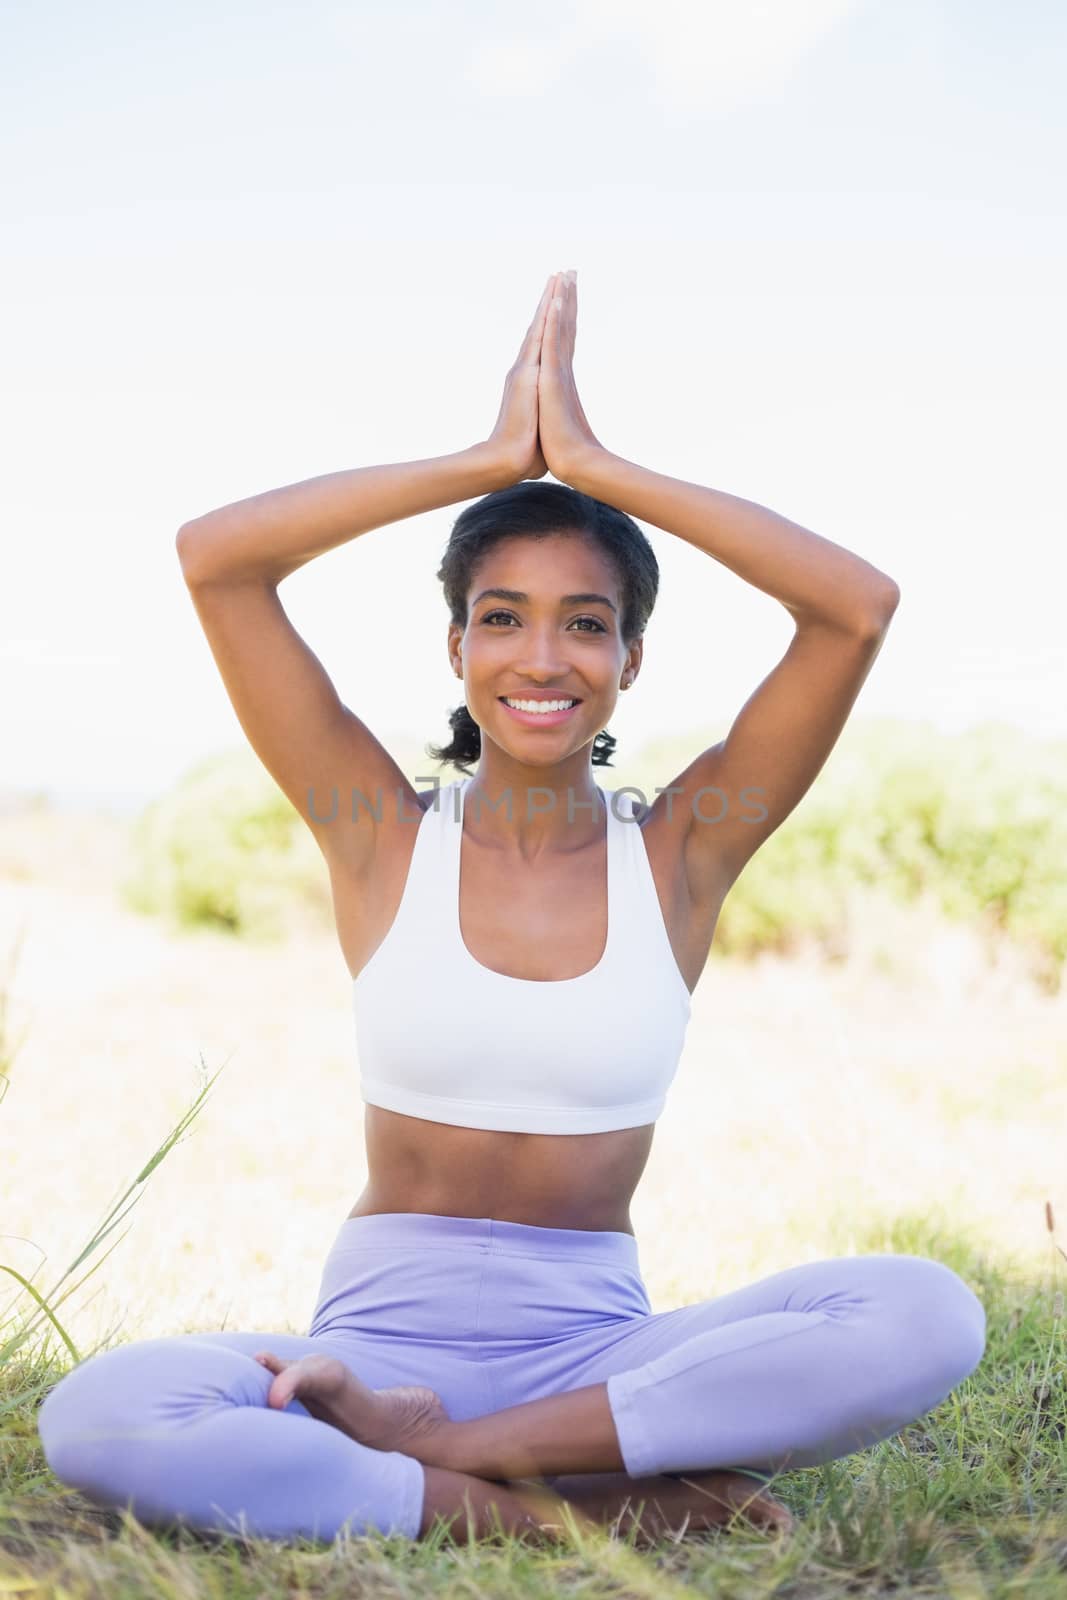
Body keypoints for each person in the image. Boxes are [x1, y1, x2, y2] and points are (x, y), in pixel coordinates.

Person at [37, 269, 986, 1549]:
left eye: (584, 625)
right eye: (503, 617)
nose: (542, 658)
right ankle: (557, 1515)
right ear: (455, 645)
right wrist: (488, 459)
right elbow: (219, 560)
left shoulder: (683, 854)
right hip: (373, 1350)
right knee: (102, 1412)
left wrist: (595, 465)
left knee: (928, 1312)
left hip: (598, 1362)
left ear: (628, 660)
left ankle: (463, 1462)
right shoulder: (377, 834)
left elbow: (851, 606)